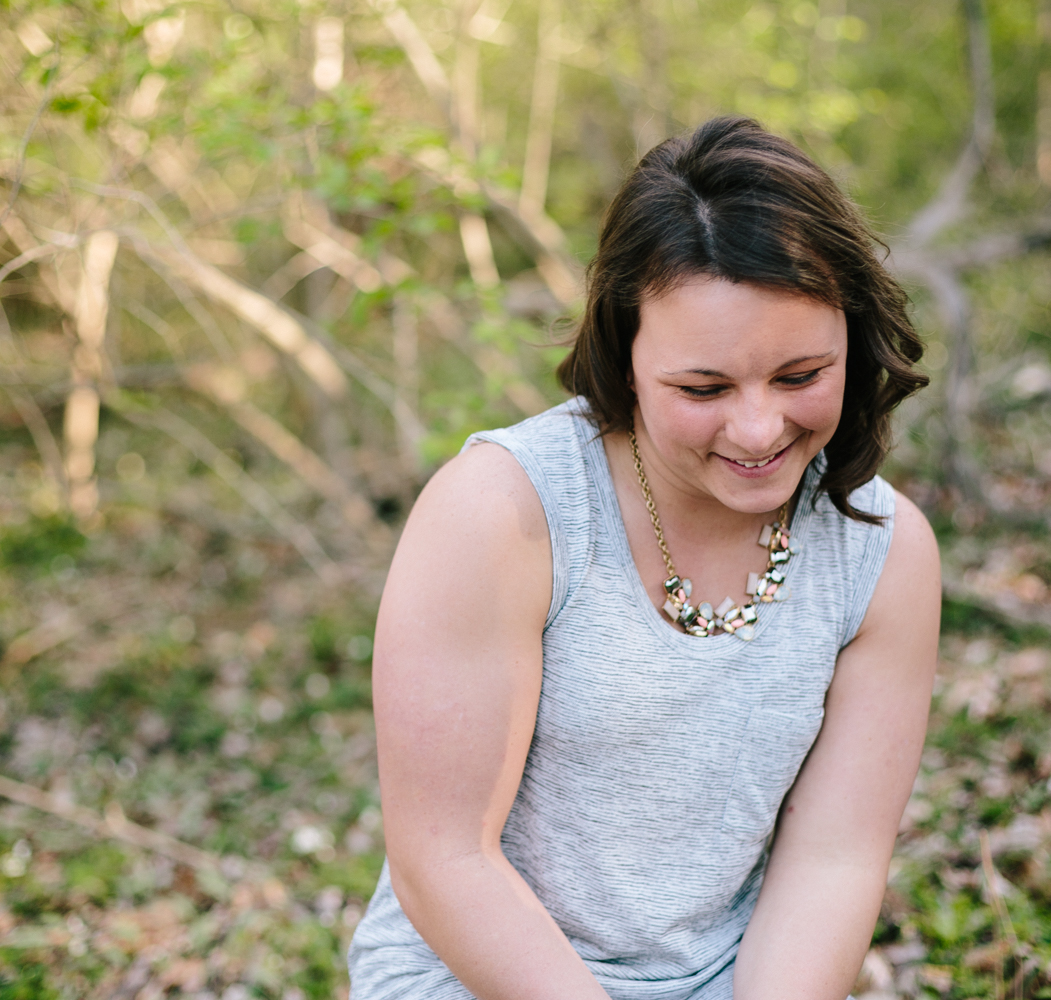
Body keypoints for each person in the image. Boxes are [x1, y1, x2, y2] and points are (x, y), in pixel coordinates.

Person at [348, 116, 941, 1000]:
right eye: (702, 388)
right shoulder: (503, 512)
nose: (757, 429)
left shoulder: (882, 553)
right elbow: (445, 858)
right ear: (624, 357)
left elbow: (834, 862)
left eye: (799, 375)